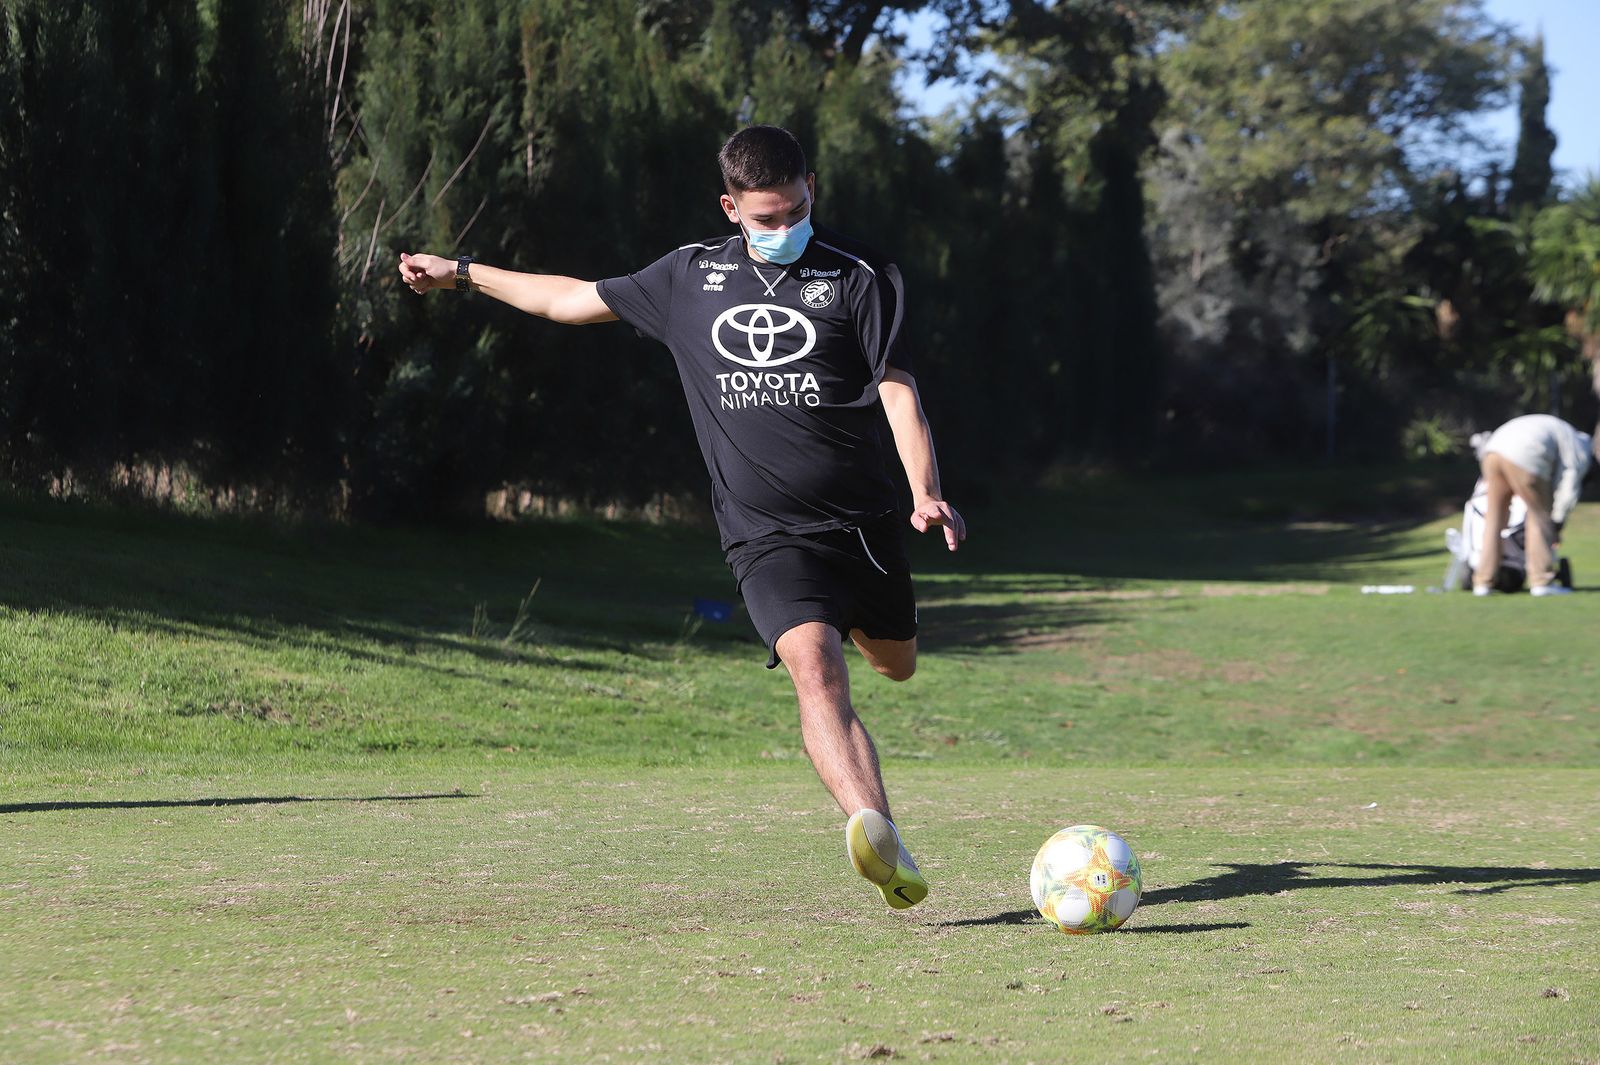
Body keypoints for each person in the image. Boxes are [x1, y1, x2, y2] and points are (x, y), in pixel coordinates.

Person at [397, 125, 964, 910]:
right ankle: (879, 833)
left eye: (795, 210)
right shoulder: (687, 278)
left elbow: (898, 391)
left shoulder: (864, 276)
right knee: (814, 667)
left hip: (862, 522)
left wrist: (923, 490)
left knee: (893, 662)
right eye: (763, 218)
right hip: (764, 534)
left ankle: (869, 639)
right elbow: (567, 299)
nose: (782, 228)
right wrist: (460, 273)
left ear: (813, 189)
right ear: (730, 207)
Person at [1470, 414, 1596, 597]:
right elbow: (1569, 487)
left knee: (1494, 519)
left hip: (1492, 452)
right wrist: (1557, 522)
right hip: (1524, 453)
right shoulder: (1581, 449)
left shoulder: (1562, 430)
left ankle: (1482, 583)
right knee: (1539, 517)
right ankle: (1541, 581)